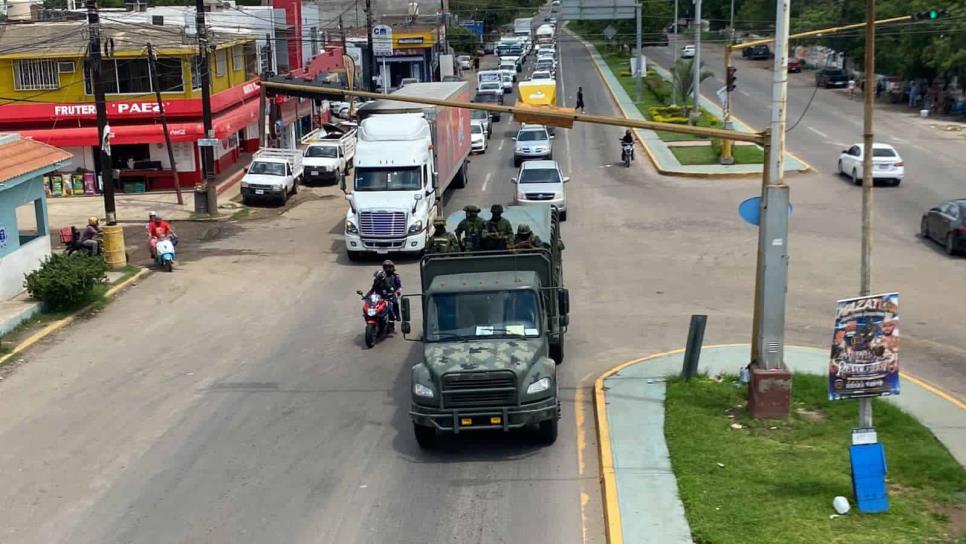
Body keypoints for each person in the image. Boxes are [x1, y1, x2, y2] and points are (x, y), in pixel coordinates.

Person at [366, 259, 402, 323]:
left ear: (392, 267)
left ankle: (397, 316)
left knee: (395, 303)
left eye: (389, 267)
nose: (387, 269)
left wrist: (397, 292)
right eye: (386, 267)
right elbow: (373, 289)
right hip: (379, 297)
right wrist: (366, 296)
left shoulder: (395, 276)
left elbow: (399, 286)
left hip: (390, 295)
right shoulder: (379, 276)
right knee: (371, 306)